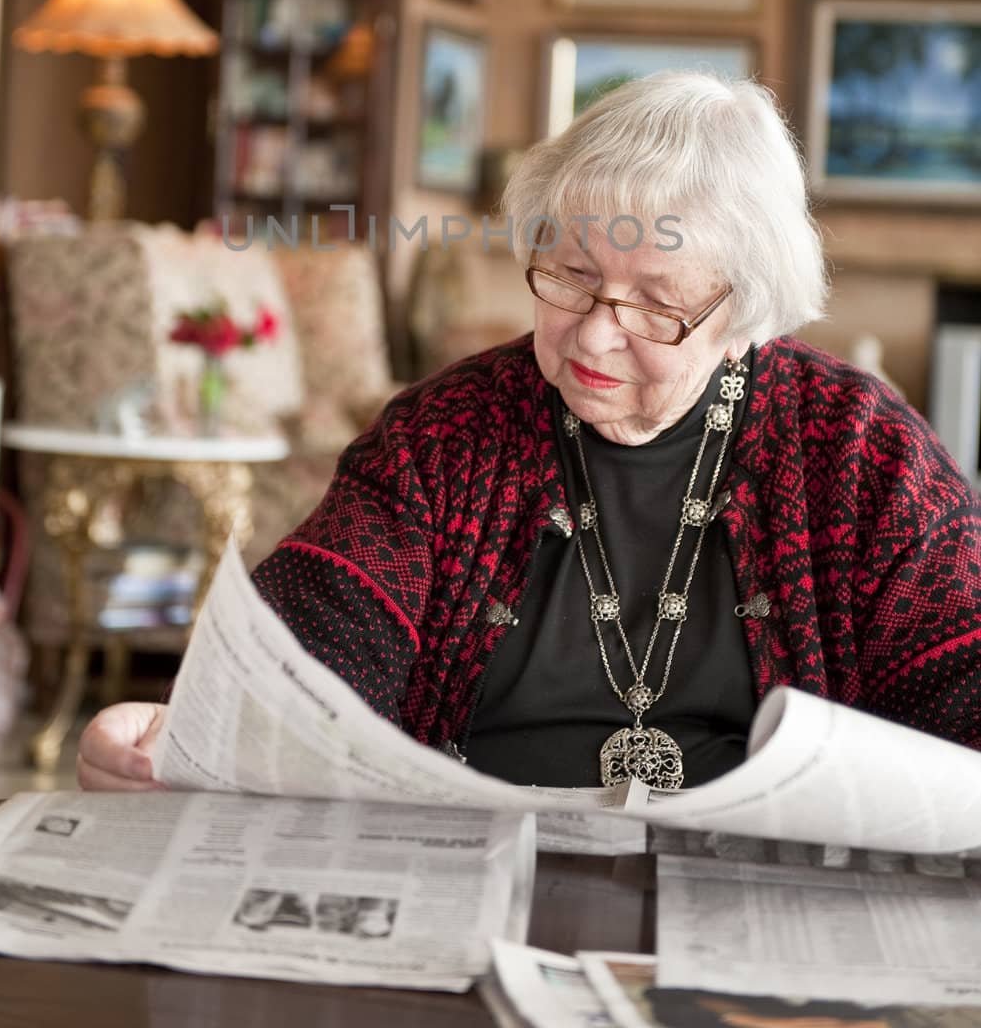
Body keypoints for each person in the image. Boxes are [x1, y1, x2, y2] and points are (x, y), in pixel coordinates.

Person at [78, 72, 981, 797]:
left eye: (656, 304)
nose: (592, 333)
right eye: (570, 276)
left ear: (746, 315)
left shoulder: (862, 457)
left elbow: (959, 686)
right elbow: (314, 646)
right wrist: (182, 738)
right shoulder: (443, 437)